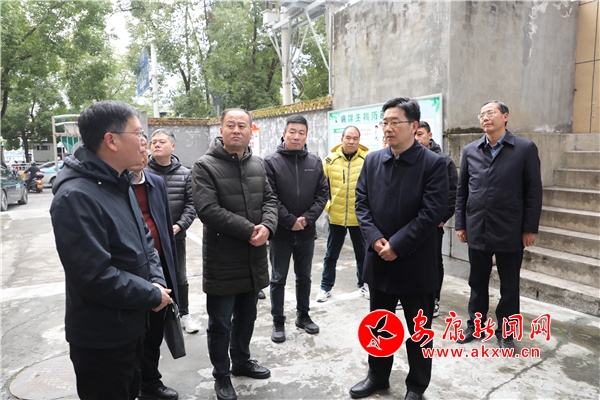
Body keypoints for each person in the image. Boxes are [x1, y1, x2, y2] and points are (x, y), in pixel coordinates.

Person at [50, 100, 172, 400]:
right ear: (111, 140)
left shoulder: (119, 182)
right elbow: (94, 276)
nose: (144, 141)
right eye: (138, 133)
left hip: (132, 323)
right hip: (103, 338)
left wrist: (156, 279)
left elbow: (145, 239)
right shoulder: (76, 196)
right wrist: (151, 294)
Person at [350, 97, 448, 400]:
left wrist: (398, 244)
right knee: (379, 324)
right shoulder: (373, 161)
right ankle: (377, 376)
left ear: (414, 125)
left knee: (419, 331)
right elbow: (361, 203)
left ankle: (417, 386)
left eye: (395, 122)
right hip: (380, 259)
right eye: (385, 122)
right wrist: (374, 238)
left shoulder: (433, 164)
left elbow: (431, 213)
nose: (388, 128)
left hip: (415, 263)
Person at [192, 108, 278, 400]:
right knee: (220, 323)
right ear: (222, 130)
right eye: (231, 125)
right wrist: (250, 230)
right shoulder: (205, 166)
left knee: (247, 316)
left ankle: (241, 360)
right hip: (223, 260)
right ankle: (221, 375)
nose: (237, 130)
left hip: (253, 258)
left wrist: (268, 226)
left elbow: (270, 200)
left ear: (250, 131)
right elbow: (208, 210)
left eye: (242, 126)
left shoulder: (258, 164)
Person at [455, 100, 542, 349]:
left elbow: (533, 191)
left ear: (505, 116)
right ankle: (476, 325)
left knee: (510, 286)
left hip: (510, 229)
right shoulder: (471, 150)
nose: (485, 118)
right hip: (477, 227)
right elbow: (462, 191)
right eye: (481, 114)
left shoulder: (524, 148)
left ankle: (506, 332)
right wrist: (461, 224)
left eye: (490, 113)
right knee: (477, 282)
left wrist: (529, 228)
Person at [263, 114, 329, 343]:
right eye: (292, 131)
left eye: (301, 133)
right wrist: (290, 220)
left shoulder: (314, 162)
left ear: (306, 136)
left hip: (306, 233)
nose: (296, 136)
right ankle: (278, 321)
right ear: (284, 134)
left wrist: (307, 219)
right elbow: (270, 196)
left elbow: (323, 194)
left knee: (304, 277)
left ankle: (303, 316)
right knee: (278, 278)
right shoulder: (271, 162)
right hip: (281, 233)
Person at [131, 135, 180, 400]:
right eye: (141, 145)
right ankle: (135, 382)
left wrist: (169, 269)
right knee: (135, 332)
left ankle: (150, 381)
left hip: (160, 266)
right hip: (133, 271)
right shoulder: (117, 186)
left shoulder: (155, 182)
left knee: (155, 329)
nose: (145, 150)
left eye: (145, 145)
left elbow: (164, 226)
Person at [146, 129, 200, 334]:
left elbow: (191, 205)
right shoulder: (143, 172)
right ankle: (155, 319)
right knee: (152, 278)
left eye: (162, 141)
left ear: (173, 146)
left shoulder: (185, 174)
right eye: (153, 142)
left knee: (179, 278)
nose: (157, 145)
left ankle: (184, 314)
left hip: (176, 237)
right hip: (149, 239)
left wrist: (179, 226)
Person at [316, 125, 369, 303]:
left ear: (359, 140)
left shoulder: (367, 160)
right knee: (331, 254)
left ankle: (364, 284)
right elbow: (321, 188)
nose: (351, 141)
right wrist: (328, 206)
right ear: (342, 139)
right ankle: (325, 287)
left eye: (355, 138)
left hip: (359, 217)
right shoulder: (330, 161)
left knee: (362, 253)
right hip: (336, 217)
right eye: (348, 137)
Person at [415, 121, 458, 317]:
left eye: (420, 134)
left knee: (433, 261)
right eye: (414, 134)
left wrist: (442, 219)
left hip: (433, 224)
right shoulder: (409, 158)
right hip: (410, 223)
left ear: (430, 135)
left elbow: (452, 193)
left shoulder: (443, 161)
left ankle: (433, 299)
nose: (417, 138)